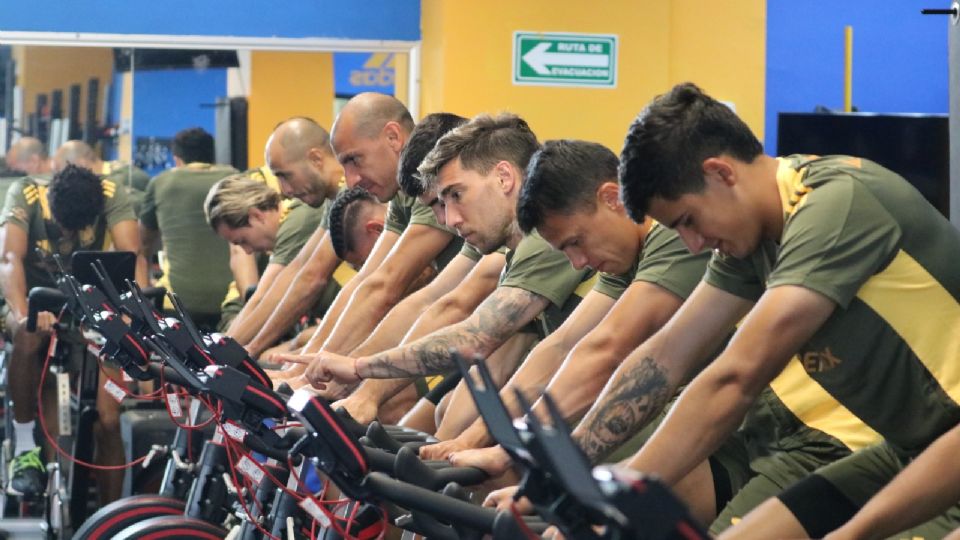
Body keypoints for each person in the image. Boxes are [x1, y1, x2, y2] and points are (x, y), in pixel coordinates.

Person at [582, 82, 960, 538]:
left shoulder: (835, 206)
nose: (693, 244)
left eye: (688, 220)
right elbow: (668, 353)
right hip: (911, 451)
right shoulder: (754, 241)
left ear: (721, 173)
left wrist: (625, 488)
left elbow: (737, 376)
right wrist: (578, 472)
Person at [281, 114, 596, 418]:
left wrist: (359, 373)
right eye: (442, 203)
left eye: (456, 196)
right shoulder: (512, 248)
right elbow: (396, 290)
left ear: (504, 177)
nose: (450, 220)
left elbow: (468, 330)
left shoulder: (545, 236)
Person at [264, 99, 468, 397]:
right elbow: (367, 281)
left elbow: (386, 287)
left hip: (472, 342)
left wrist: (345, 376)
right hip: (453, 335)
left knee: (385, 402)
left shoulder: (433, 178)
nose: (351, 180)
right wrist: (304, 368)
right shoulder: (401, 192)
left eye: (354, 160)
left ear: (393, 137)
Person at [0, 164, 147, 501]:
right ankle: (25, 445)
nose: (71, 235)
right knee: (27, 335)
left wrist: (130, 316)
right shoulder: (27, 194)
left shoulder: (110, 194)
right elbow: (8, 258)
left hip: (90, 300)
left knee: (109, 423)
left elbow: (132, 255)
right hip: (33, 296)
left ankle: (111, 518)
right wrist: (24, 315)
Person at [225, 117, 349, 349]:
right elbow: (299, 271)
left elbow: (311, 279)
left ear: (316, 159)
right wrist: (229, 347)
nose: (284, 190)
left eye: (284, 175)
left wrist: (247, 349)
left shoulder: (351, 197)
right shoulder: (335, 202)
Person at [203, 173, 345, 333]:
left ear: (256, 216)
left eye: (243, 240)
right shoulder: (289, 221)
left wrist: (224, 351)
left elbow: (262, 301)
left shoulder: (297, 223)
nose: (248, 251)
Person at [139, 127, 237, 328]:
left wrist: (145, 287)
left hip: (177, 303)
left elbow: (142, 243)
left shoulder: (161, 182)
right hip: (232, 301)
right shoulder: (234, 178)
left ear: (177, 159)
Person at [52, 140, 151, 214]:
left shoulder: (125, 177)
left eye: (64, 171)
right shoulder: (109, 177)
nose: (64, 179)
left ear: (81, 164)